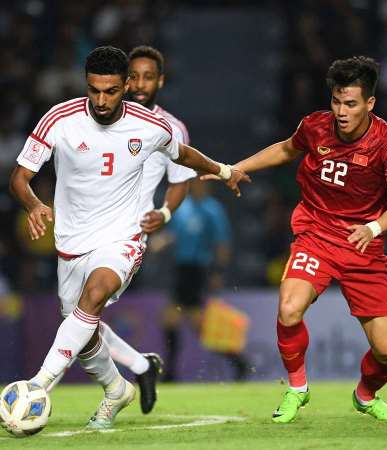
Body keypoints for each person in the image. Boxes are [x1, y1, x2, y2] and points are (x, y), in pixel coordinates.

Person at [9, 45, 249, 429]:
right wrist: (34, 204)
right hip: (71, 242)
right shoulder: (59, 118)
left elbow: (184, 156)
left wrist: (223, 170)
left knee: (94, 295)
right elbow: (20, 178)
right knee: (82, 330)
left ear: (125, 86)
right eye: (94, 90)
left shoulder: (152, 125)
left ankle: (38, 385)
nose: (101, 101)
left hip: (124, 236)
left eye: (110, 91)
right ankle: (118, 387)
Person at [206, 56, 387, 422]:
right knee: (289, 309)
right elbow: (286, 149)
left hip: (363, 245)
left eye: (351, 104)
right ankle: (298, 388)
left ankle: (365, 396)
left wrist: (373, 228)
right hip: (316, 235)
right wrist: (237, 168)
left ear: (370, 103)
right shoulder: (315, 126)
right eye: (336, 101)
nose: (341, 111)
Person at [93, 45, 198, 414]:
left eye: (148, 77)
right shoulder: (100, 117)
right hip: (88, 227)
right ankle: (141, 366)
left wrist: (165, 214)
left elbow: (180, 181)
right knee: (77, 316)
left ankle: (39, 388)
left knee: (82, 313)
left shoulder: (171, 128)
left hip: (127, 235)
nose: (140, 84)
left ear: (161, 82)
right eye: (133, 77)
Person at [162, 178, 248, 381]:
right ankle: (238, 362)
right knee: (177, 321)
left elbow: (222, 243)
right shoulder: (182, 208)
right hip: (181, 269)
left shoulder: (213, 209)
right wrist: (161, 241)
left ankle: (171, 373)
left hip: (198, 269)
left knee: (190, 322)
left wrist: (218, 272)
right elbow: (173, 234)